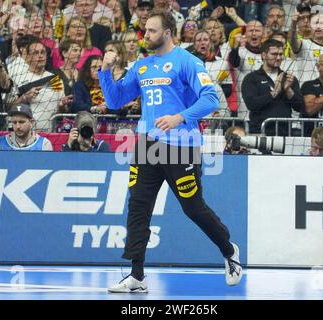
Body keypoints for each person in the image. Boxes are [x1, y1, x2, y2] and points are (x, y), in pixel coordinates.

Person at [98, 10, 242, 293]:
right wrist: (105, 72)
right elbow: (115, 100)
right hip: (147, 145)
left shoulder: (188, 61)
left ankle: (229, 251)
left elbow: (211, 98)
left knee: (193, 208)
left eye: (151, 31)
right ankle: (136, 275)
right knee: (138, 207)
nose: (145, 35)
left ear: (167, 32)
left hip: (181, 147)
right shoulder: (142, 66)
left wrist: (180, 117)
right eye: (144, 30)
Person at [241, 39, 304, 136]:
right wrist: (274, 92)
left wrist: (288, 90)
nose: (278, 57)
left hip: (285, 132)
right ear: (263, 55)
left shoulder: (289, 78)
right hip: (259, 131)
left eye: (281, 54)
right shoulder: (251, 78)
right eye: (274, 54)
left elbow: (300, 107)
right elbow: (251, 104)